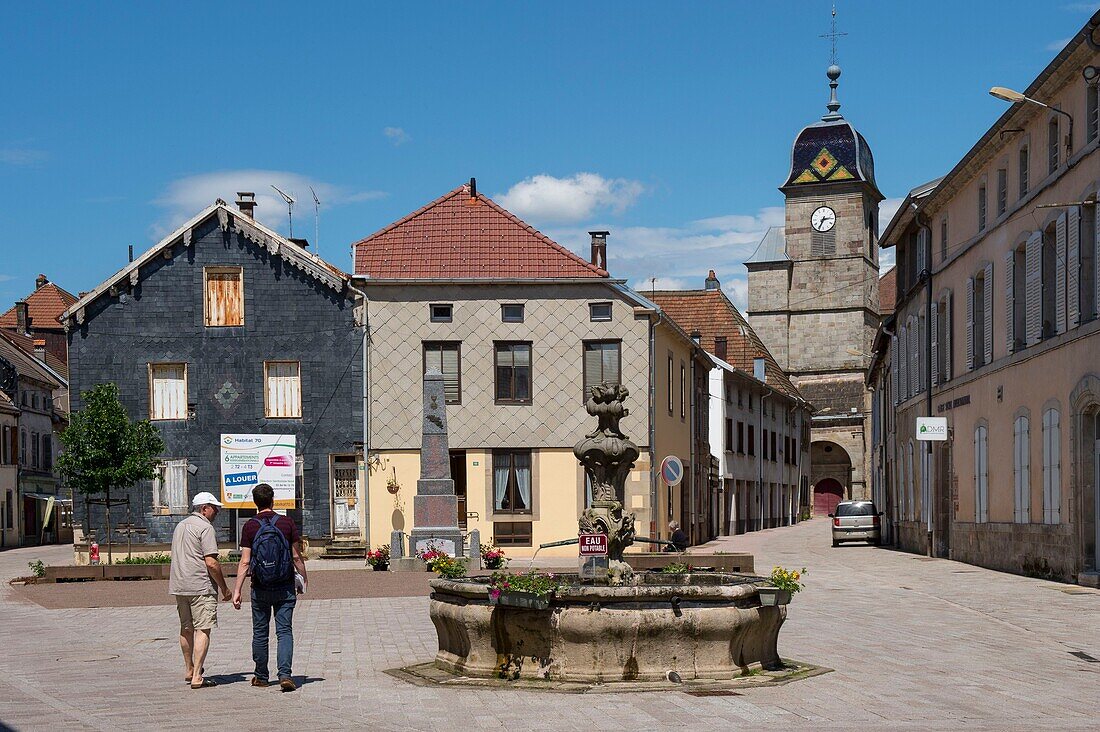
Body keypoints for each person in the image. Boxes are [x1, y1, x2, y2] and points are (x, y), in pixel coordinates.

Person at [232, 483, 308, 692]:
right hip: (284, 586)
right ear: (273, 500)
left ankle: (261, 676)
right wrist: (303, 578)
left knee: (260, 632)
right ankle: (285, 675)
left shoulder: (250, 526)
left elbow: (245, 561)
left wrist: (237, 589)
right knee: (284, 631)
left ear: (255, 503)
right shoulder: (286, 523)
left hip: (260, 587)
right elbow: (295, 556)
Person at [169, 491, 231, 689]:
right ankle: (197, 676)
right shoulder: (205, 528)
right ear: (204, 509)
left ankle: (189, 668)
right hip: (200, 586)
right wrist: (224, 588)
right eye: (215, 508)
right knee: (203, 628)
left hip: (179, 585)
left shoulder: (180, 526)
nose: (217, 512)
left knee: (185, 628)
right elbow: (211, 562)